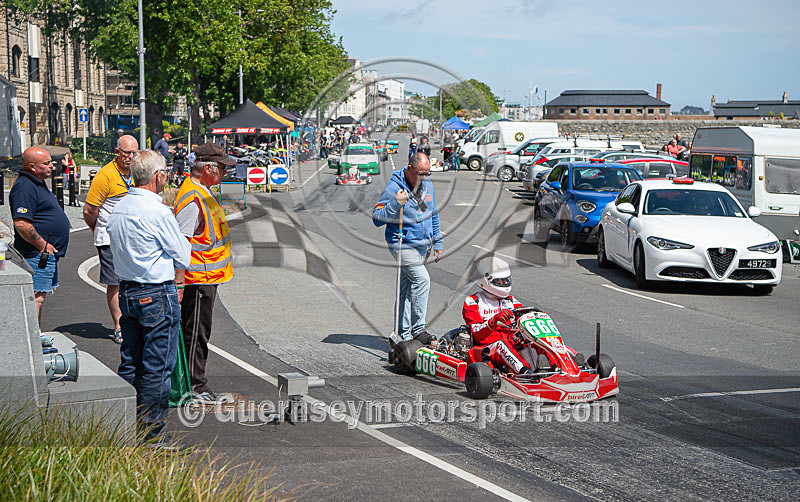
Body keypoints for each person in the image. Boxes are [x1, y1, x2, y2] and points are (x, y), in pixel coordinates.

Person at [107, 149, 191, 445]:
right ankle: (152, 434)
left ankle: (125, 424)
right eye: (165, 172)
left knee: (130, 362)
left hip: (128, 290)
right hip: (155, 292)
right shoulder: (158, 211)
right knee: (157, 368)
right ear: (158, 176)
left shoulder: (119, 207)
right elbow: (183, 255)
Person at [173, 143, 236, 404]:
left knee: (200, 331)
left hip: (206, 277)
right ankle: (193, 386)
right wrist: (179, 284)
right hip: (197, 280)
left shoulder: (202, 192)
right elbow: (180, 243)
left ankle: (195, 382)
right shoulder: (193, 198)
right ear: (207, 168)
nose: (225, 173)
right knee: (195, 333)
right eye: (222, 168)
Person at [372, 153, 443, 344]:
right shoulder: (394, 188)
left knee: (406, 289)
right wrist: (396, 203)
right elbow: (377, 218)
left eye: (427, 174)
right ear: (410, 169)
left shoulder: (428, 185)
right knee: (422, 279)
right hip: (402, 244)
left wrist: (438, 242)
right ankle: (419, 329)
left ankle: (404, 334)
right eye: (420, 173)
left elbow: (433, 214)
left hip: (423, 246)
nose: (424, 178)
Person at [83, 134, 139, 343]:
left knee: (132, 281)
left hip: (132, 238)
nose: (131, 157)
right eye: (127, 153)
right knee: (115, 283)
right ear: (117, 152)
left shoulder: (135, 172)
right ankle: (119, 326)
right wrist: (96, 229)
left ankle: (132, 321)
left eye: (134, 153)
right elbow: (89, 210)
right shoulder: (105, 175)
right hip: (110, 237)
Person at [9, 147, 70, 323]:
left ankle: (36, 336)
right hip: (37, 254)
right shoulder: (25, 187)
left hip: (44, 254)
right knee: (35, 297)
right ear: (32, 167)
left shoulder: (36, 183)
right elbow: (22, 223)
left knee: (39, 297)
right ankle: (33, 341)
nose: (52, 165)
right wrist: (43, 246)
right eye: (46, 163)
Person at [462, 257, 538, 374]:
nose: (504, 284)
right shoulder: (473, 301)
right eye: (499, 281)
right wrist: (495, 320)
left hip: (512, 341)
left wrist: (533, 316)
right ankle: (526, 373)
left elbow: (523, 320)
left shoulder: (511, 301)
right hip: (489, 347)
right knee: (501, 345)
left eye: (506, 281)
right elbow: (476, 332)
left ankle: (560, 367)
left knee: (535, 341)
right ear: (485, 280)